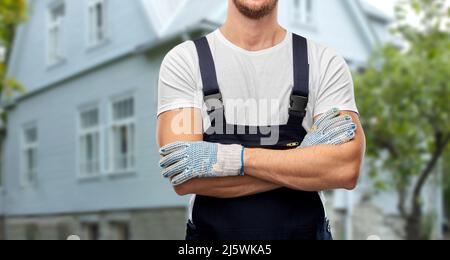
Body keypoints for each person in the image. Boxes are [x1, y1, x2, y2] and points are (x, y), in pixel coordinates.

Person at [157, 0, 366, 240]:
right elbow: (184, 176)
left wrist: (229, 159)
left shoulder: (323, 62)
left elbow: (345, 169)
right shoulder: (185, 61)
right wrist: (303, 159)